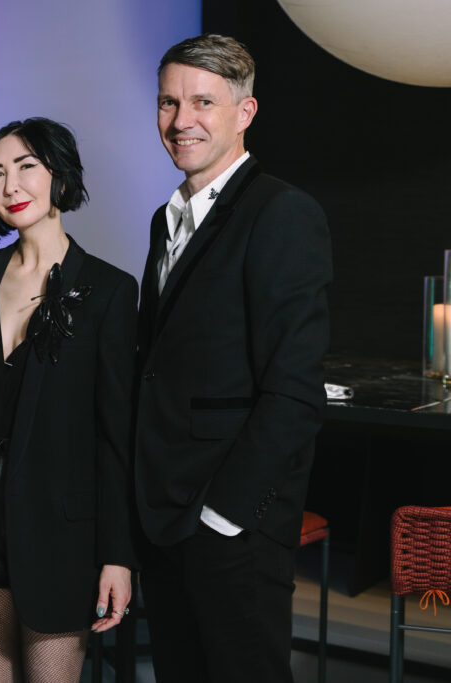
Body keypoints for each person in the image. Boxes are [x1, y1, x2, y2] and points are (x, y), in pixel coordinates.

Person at [134, 34, 332, 683]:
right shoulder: (167, 220)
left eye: (202, 101)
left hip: (229, 530)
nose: (180, 119)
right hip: (165, 520)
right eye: (168, 101)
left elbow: (294, 391)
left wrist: (223, 518)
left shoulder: (281, 212)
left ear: (244, 113)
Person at [0, 117, 137, 681]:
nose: (11, 186)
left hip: (61, 532)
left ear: (59, 174)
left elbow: (115, 434)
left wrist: (118, 554)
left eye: (27, 166)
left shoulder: (109, 290)